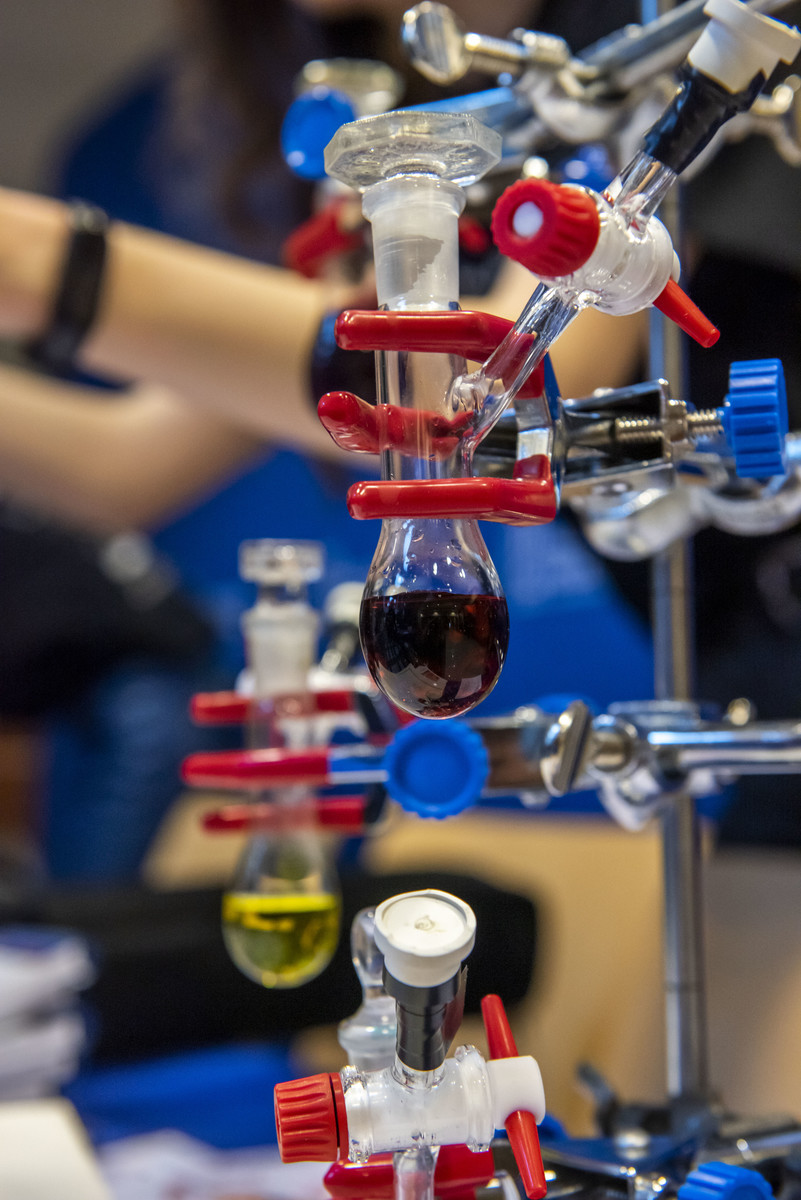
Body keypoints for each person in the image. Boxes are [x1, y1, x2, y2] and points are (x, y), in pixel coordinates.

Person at [0, 0, 653, 881]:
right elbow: (124, 460)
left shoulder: (652, 49)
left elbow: (496, 398)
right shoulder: (391, 119)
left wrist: (36, 260)